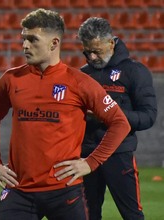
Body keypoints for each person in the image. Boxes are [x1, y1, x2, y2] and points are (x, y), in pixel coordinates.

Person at [0, 9, 131, 220]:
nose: (25, 45)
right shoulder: (11, 79)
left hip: (65, 190)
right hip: (20, 190)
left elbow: (119, 123)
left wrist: (90, 162)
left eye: (33, 39)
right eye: (24, 39)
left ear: (54, 43)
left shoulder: (80, 82)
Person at [78, 17, 157, 220]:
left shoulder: (135, 72)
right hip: (86, 154)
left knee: (132, 215)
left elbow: (148, 116)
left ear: (111, 43)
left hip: (119, 154)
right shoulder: (81, 76)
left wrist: (108, 115)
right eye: (87, 52)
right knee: (86, 215)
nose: (92, 56)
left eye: (97, 50)